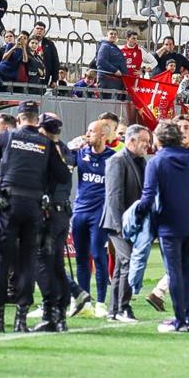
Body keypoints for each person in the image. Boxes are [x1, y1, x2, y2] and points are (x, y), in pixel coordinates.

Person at [0, 99, 69, 332]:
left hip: (8, 204)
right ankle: (20, 320)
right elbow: (63, 176)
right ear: (37, 118)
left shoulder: (7, 137)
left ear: (20, 117)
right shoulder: (45, 143)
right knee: (27, 262)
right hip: (34, 206)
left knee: (1, 261)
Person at [134, 119, 189, 334]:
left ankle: (180, 321)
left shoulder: (157, 161)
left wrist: (137, 215)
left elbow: (148, 195)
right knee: (186, 270)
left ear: (159, 138)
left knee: (174, 271)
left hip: (169, 223)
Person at [101, 122, 145, 323]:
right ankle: (123, 308)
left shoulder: (141, 161)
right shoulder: (117, 160)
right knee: (129, 262)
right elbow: (114, 196)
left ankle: (114, 310)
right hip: (118, 223)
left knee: (121, 266)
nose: (147, 145)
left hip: (131, 222)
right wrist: (120, 226)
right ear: (131, 140)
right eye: (144, 141)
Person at [33, 112, 72, 332]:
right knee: (56, 264)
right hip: (62, 213)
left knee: (43, 262)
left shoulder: (46, 151)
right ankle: (61, 313)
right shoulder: (64, 150)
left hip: (48, 213)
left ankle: (51, 312)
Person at [69, 120, 114, 317]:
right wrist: (70, 148)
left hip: (100, 213)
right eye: (87, 130)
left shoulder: (112, 157)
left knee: (98, 254)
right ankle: (84, 301)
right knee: (81, 258)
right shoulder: (80, 153)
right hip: (80, 211)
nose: (87, 134)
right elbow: (63, 166)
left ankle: (102, 303)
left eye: (91, 131)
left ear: (103, 135)